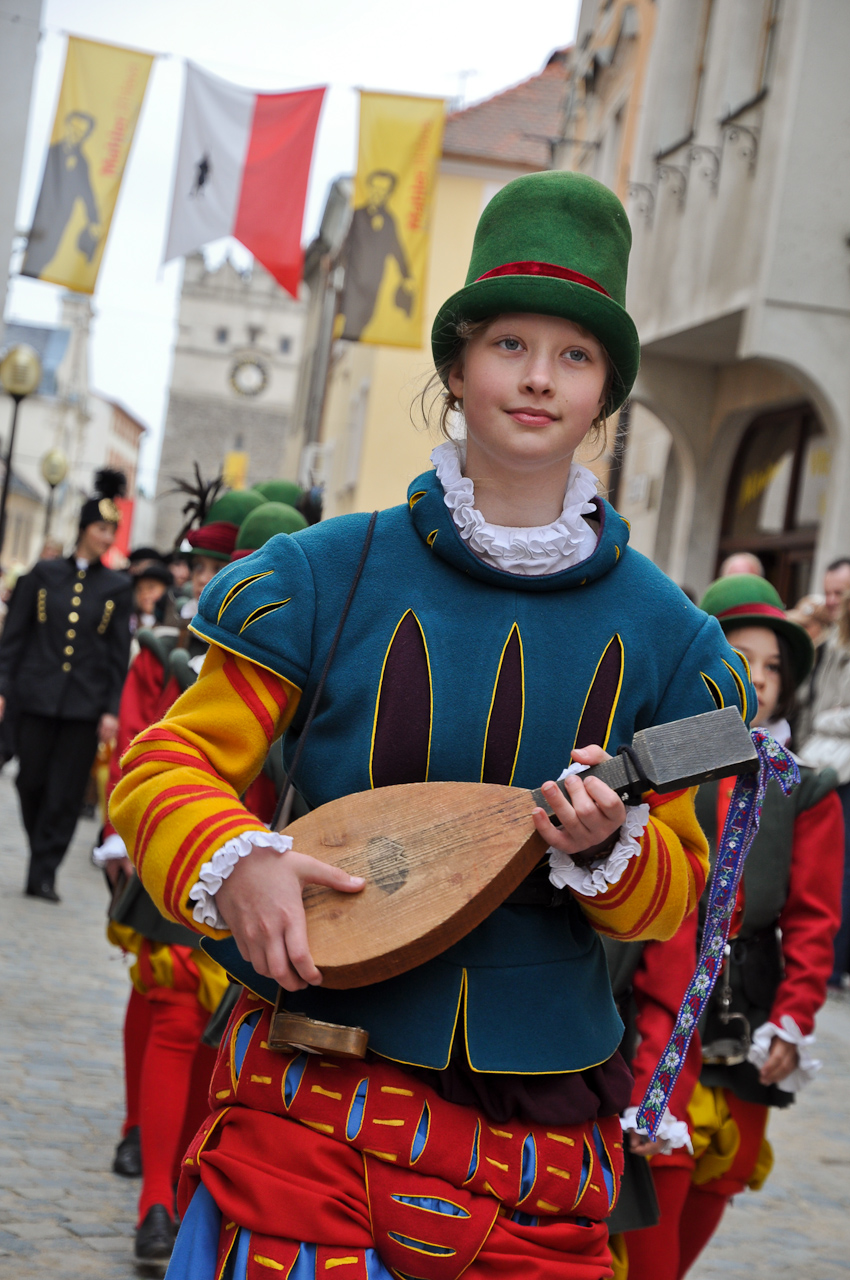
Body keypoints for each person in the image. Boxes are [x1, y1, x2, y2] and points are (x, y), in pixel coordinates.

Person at [111, 171, 754, 1280]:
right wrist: (238, 860)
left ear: (604, 391)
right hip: (311, 1097)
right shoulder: (322, 573)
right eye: (509, 344)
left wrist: (610, 852)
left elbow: (673, 896)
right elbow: (166, 761)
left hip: (542, 1131)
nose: (538, 378)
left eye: (574, 355)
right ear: (457, 367)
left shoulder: (674, 639)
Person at [671, 575, 843, 1276]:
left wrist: (794, 1017)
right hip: (659, 1001)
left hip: (748, 1007)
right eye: (743, 659)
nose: (761, 679)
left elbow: (813, 920)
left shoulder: (804, 786)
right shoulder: (664, 762)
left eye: (774, 666)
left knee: (722, 1171)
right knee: (653, 1176)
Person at [0, 469, 131, 901]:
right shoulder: (42, 575)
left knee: (66, 792)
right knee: (29, 781)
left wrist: (111, 708)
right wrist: (4, 686)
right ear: (84, 528)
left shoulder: (117, 587)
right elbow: (14, 638)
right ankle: (41, 853)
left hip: (84, 705)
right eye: (101, 528)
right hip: (34, 697)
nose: (107, 537)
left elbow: (117, 655)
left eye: (112, 530)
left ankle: (44, 870)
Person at [797, 583, 850, 985]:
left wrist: (826, 718)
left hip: (837, 768)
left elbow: (829, 712)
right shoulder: (831, 648)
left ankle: (831, 964)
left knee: (836, 869)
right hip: (822, 763)